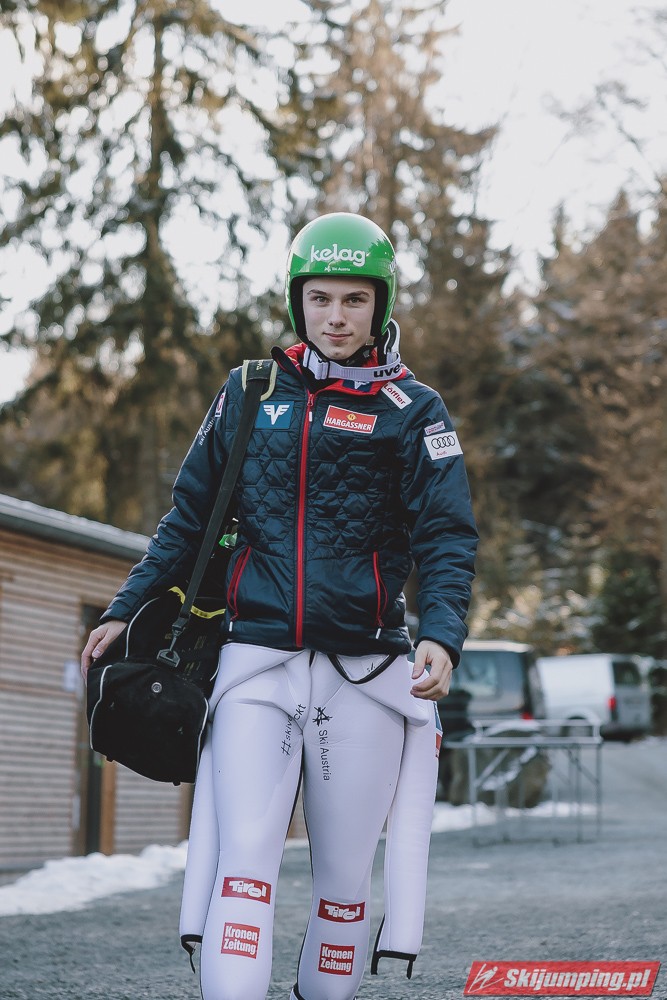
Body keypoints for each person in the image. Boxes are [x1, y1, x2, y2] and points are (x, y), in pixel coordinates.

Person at [81, 212, 478, 1000]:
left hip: (365, 670)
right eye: (320, 298)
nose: (336, 317)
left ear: (380, 304)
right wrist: (127, 605)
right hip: (256, 662)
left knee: (343, 881)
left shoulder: (415, 409)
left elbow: (446, 535)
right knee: (246, 860)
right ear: (298, 301)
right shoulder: (249, 390)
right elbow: (189, 517)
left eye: (354, 300)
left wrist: (441, 632)